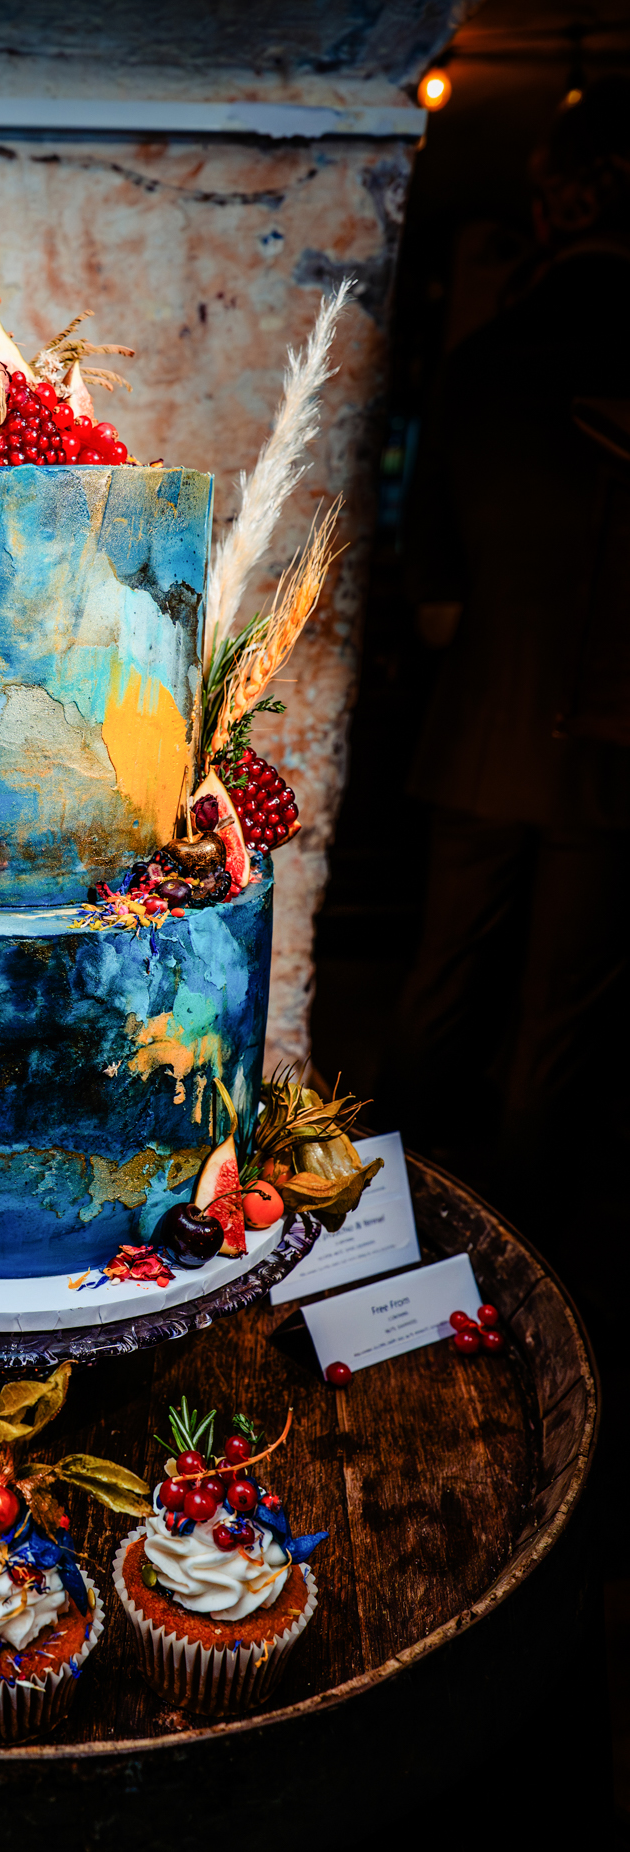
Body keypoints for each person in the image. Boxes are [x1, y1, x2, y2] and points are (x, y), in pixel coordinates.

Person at [379, 79, 630, 1211]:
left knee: (440, 979)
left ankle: (384, 1213)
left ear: (559, 203)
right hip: (611, 738)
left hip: (481, 720)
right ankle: (526, 1245)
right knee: (560, 1015)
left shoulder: (483, 359)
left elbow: (425, 587)